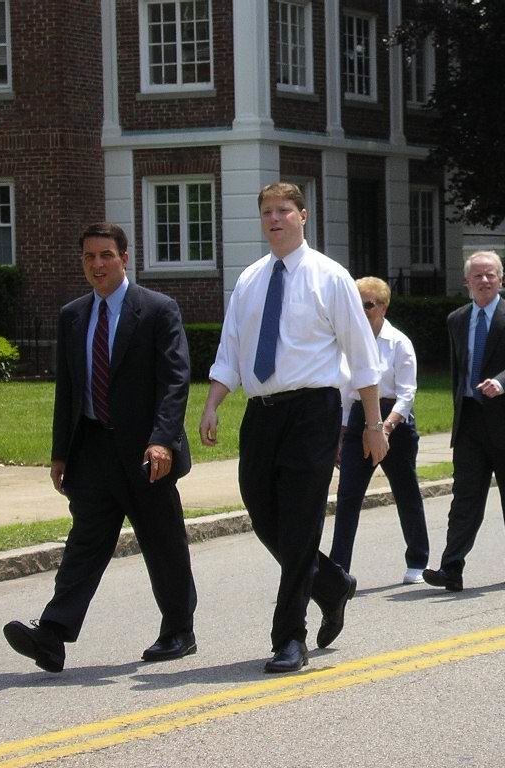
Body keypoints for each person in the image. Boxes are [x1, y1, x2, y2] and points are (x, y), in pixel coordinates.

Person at [199, 182, 387, 674]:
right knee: (263, 513)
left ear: (303, 216)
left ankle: (289, 637)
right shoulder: (250, 280)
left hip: (314, 409)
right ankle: (330, 583)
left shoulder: (330, 277)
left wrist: (372, 425)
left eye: (284, 210)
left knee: (301, 519)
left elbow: (362, 358)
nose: (275, 218)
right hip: (263, 412)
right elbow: (231, 349)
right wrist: (213, 403)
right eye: (266, 211)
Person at [3, 222, 197, 673]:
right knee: (85, 543)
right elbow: (67, 390)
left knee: (162, 541)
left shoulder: (157, 310)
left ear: (124, 258)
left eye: (106, 255)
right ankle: (52, 635)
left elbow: (175, 381)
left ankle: (178, 630)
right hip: (91, 449)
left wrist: (163, 441)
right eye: (89, 257)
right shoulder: (73, 315)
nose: (97, 265)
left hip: (146, 453)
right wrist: (60, 453)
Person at [423, 251, 505, 592]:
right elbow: (457, 372)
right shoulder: (457, 319)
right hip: (471, 422)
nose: (485, 281)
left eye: (491, 275)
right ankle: (451, 568)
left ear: (501, 280)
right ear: (467, 282)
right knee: (464, 498)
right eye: (478, 276)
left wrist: (502, 381)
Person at [329, 277, 429, 584]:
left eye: (368, 305)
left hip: (393, 420)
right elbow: (346, 393)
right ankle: (338, 571)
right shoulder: (347, 344)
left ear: (383, 307)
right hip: (358, 418)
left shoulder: (398, 342)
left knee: (406, 491)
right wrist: (341, 436)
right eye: (356, 305)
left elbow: (407, 393)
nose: (361, 311)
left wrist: (385, 429)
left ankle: (417, 561)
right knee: (347, 496)